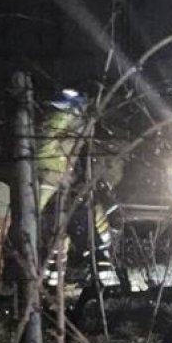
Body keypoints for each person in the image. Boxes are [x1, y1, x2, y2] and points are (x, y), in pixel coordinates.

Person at [37, 89, 120, 289]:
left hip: (68, 187)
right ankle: (105, 284)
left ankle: (52, 284)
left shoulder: (66, 124)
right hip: (59, 186)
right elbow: (45, 151)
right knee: (85, 237)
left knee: (61, 238)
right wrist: (60, 171)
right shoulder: (61, 121)